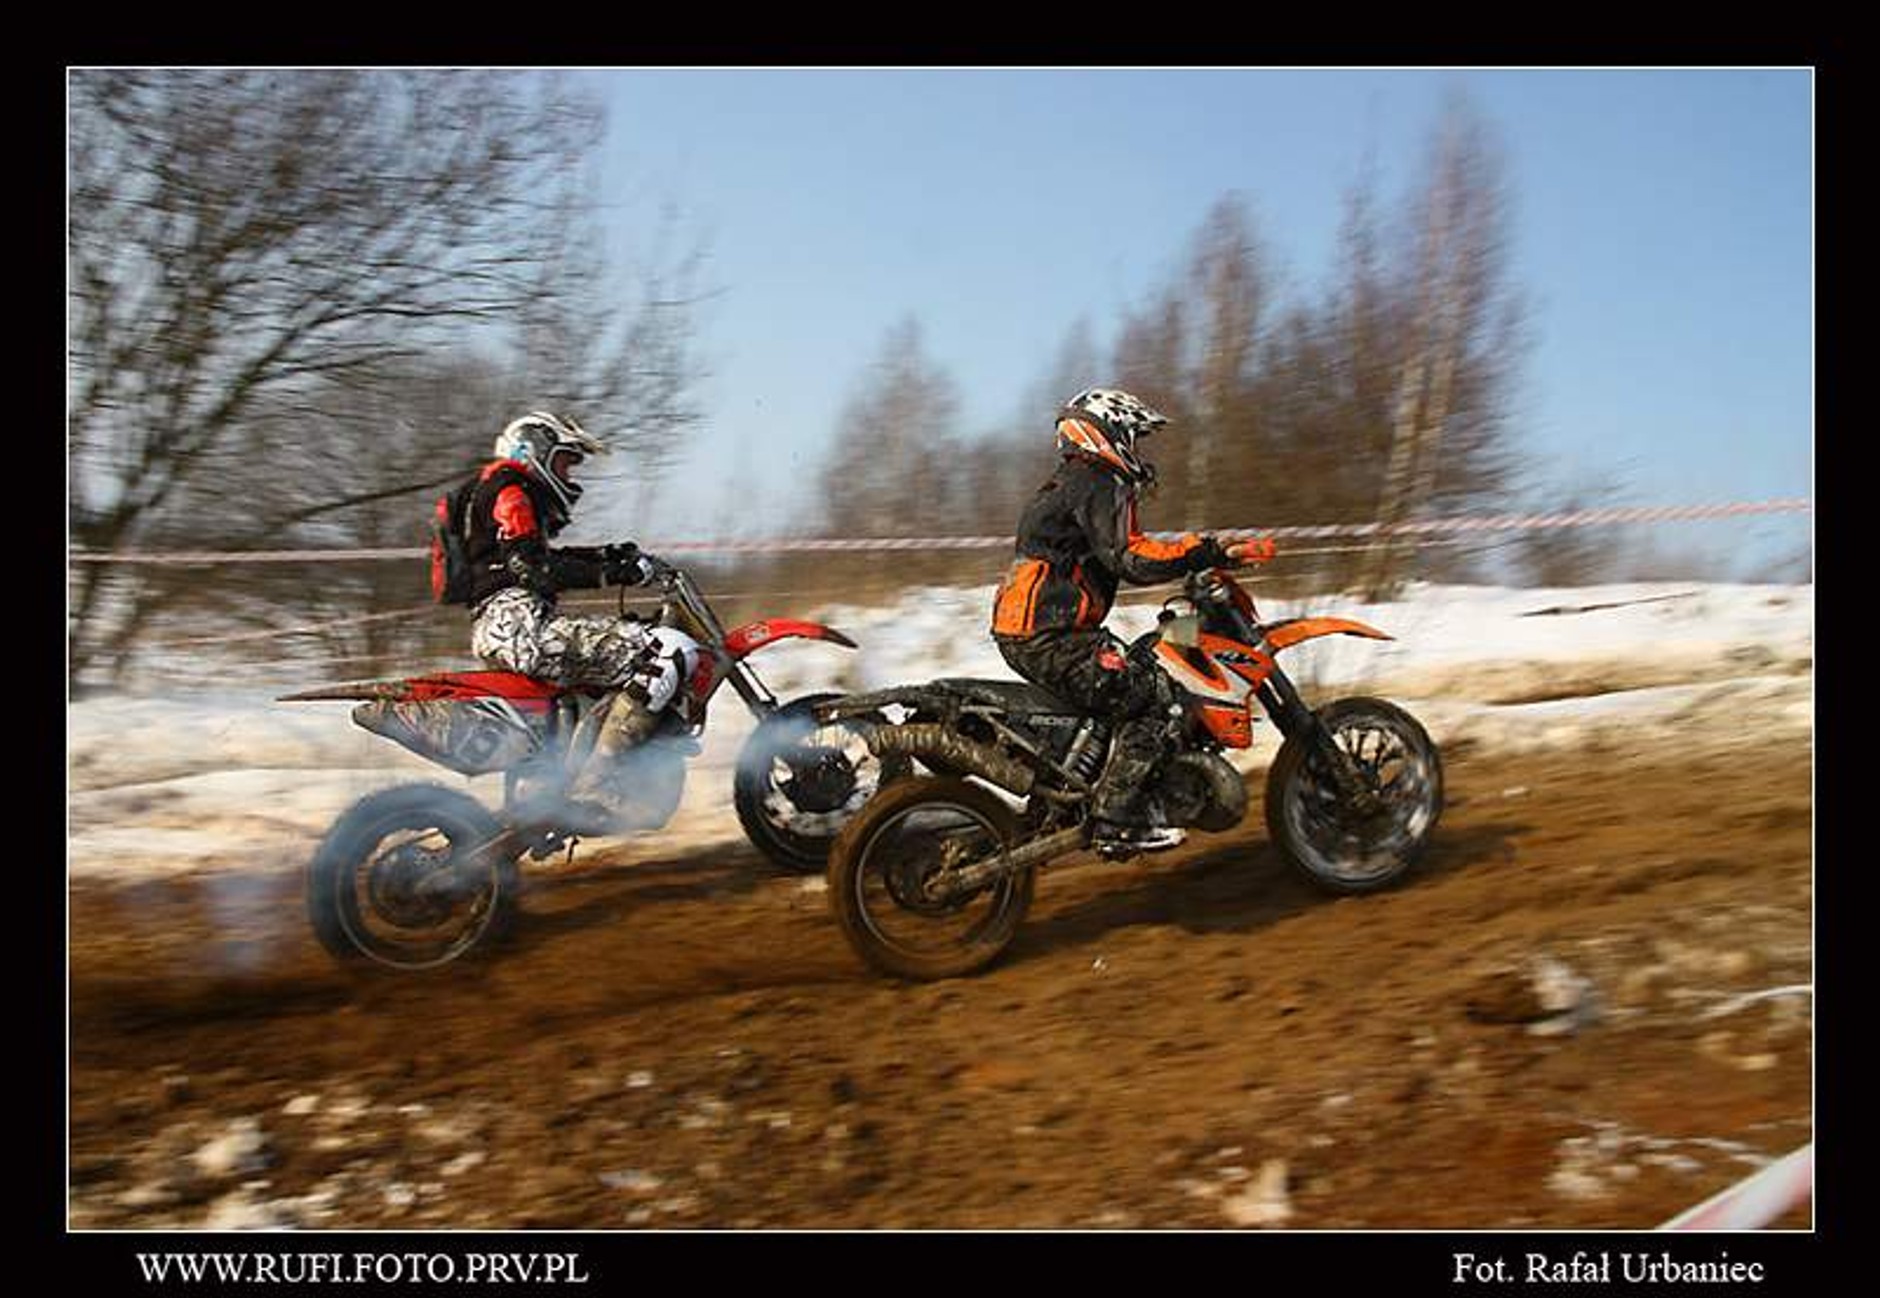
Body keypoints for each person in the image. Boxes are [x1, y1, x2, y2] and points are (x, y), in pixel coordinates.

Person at [990, 388, 1273, 852]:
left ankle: (1085, 791)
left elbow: (1117, 556)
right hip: (1049, 637)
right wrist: (1208, 548)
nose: (1137, 449)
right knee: (1155, 696)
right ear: (1108, 432)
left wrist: (1200, 562)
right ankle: (1116, 817)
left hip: (1043, 632)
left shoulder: (1073, 482)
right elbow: (1131, 557)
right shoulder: (1096, 481)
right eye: (1132, 436)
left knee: (1153, 650)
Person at [463, 411, 687, 830]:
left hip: (510, 626)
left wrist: (606, 556)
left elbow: (538, 560)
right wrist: (612, 573)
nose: (569, 474)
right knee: (662, 651)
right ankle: (597, 784)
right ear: (535, 452)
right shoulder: (510, 491)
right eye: (565, 462)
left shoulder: (505, 492)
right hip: (519, 627)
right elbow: (534, 570)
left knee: (615, 665)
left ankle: (560, 778)